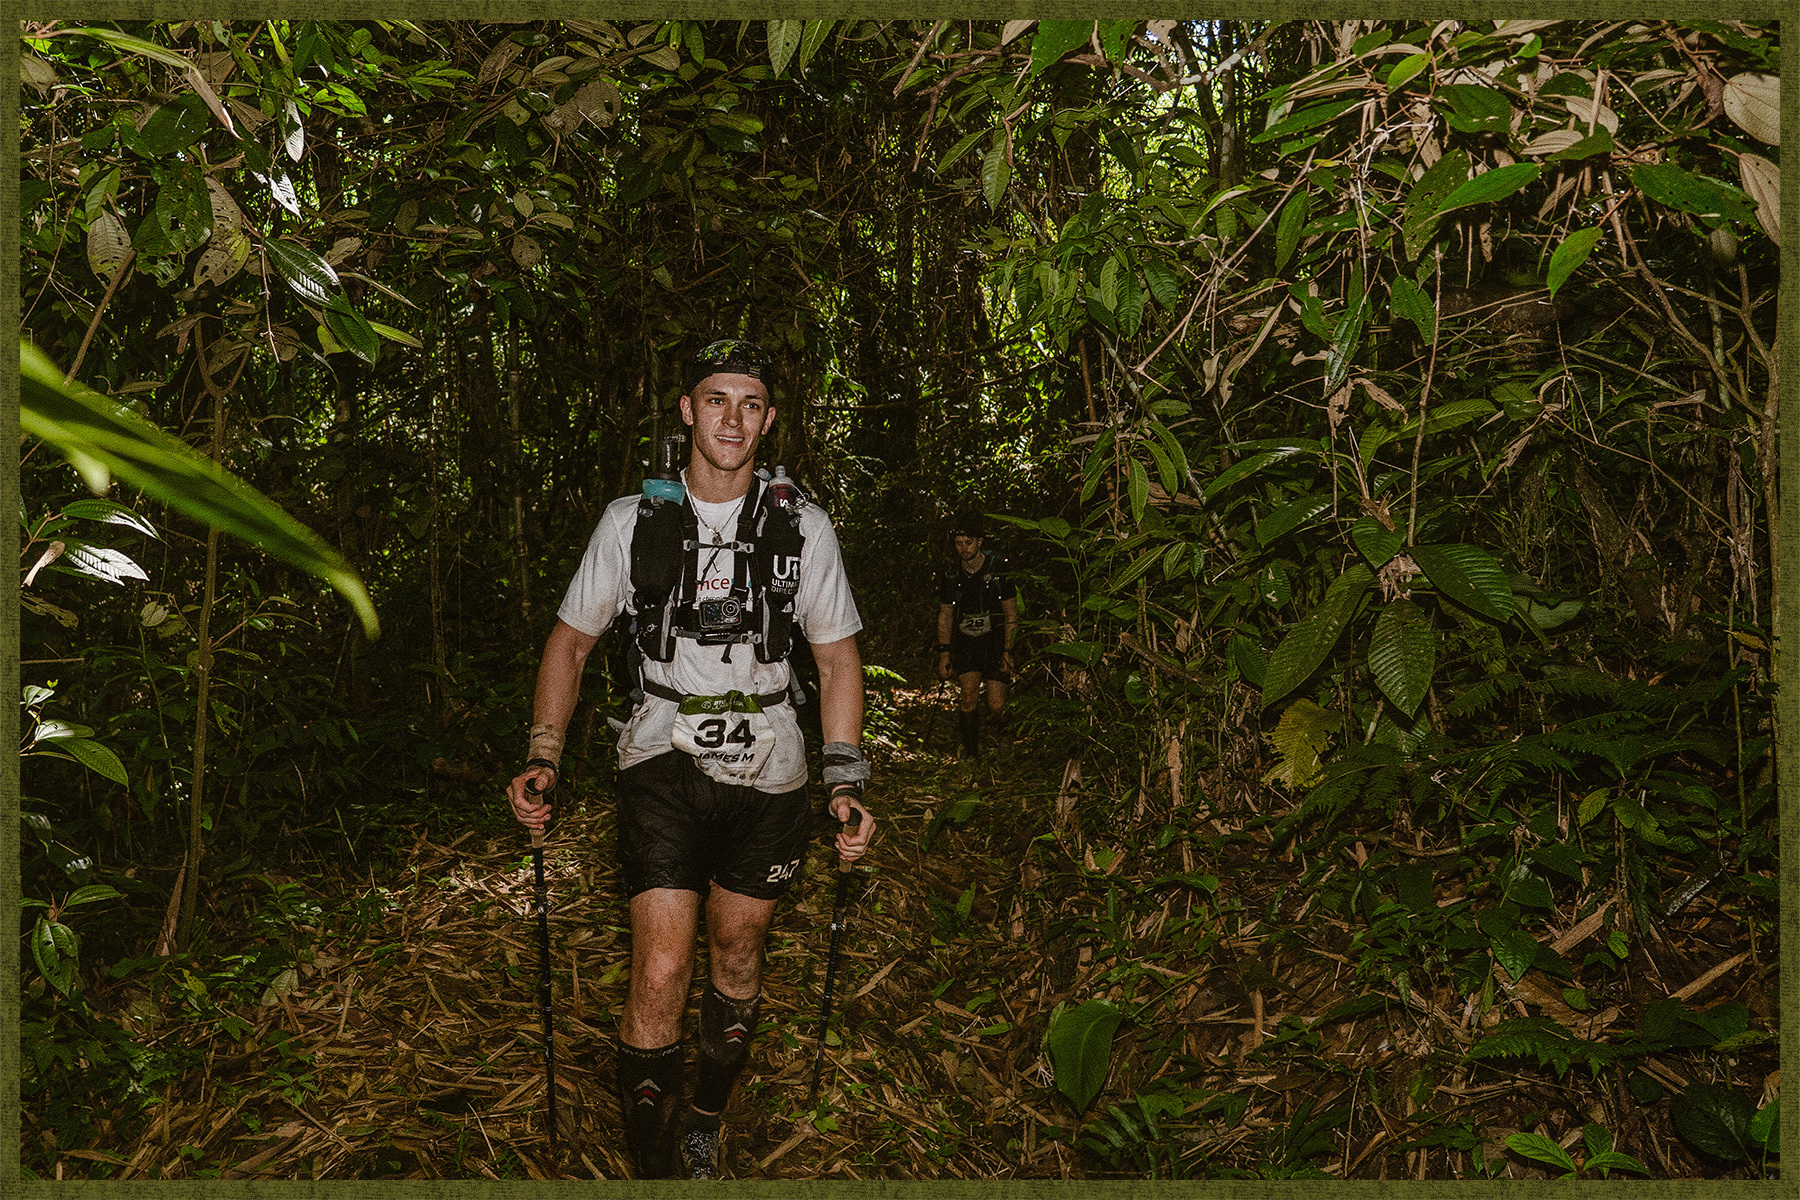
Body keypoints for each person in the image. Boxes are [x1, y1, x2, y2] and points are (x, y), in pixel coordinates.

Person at [505, 338, 875, 1180]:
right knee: (664, 963)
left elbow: (836, 659)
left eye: (750, 403)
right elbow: (570, 644)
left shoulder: (801, 526)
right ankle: (653, 1164)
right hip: (660, 753)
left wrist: (844, 777)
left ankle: (704, 1116)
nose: (732, 418)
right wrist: (544, 756)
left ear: (770, 419)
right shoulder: (632, 522)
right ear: (686, 412)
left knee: (739, 954)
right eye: (716, 400)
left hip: (772, 761)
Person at [936, 514, 1019, 759]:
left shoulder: (998, 566)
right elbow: (946, 613)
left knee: (997, 704)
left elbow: (1011, 613)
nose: (964, 548)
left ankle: (1006, 736)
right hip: (967, 642)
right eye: (959, 543)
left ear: (980, 541)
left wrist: (1008, 651)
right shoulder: (952, 574)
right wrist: (944, 652)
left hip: (994, 641)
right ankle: (971, 755)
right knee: (968, 696)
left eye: (968, 542)